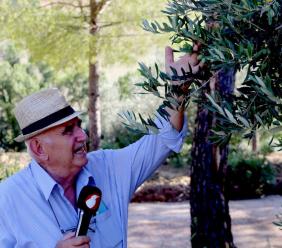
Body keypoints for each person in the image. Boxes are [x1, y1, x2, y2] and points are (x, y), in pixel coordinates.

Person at [0, 47, 201, 248]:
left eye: (79, 125)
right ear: (39, 149)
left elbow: (162, 140)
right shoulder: (8, 199)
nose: (83, 135)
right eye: (68, 131)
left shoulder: (109, 168)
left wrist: (177, 90)